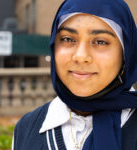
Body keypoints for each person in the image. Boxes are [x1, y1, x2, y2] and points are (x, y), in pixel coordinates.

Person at [12, 0, 137, 150]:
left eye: (101, 41)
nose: (80, 56)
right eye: (68, 39)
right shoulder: (27, 128)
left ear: (126, 54)